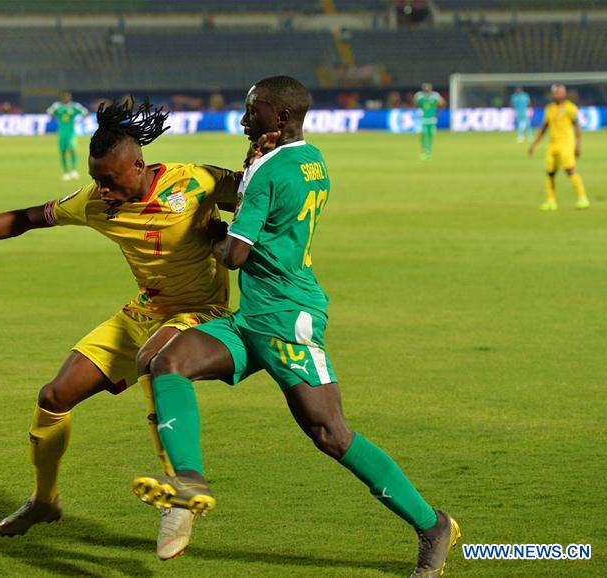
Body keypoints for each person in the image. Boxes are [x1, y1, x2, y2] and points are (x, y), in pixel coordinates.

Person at [132, 76, 461, 578]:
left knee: (331, 434)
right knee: (167, 362)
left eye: (253, 112)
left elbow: (236, 256)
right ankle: (190, 483)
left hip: (287, 320)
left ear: (279, 117)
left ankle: (433, 525)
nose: (245, 120)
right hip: (254, 317)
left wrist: (210, 230)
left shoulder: (267, 172)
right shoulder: (313, 159)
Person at [0, 99, 240, 560]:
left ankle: (179, 495)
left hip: (199, 313)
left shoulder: (196, 181)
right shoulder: (96, 203)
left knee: (156, 363)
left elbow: (259, 197)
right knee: (53, 397)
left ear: (138, 165)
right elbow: (24, 219)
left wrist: (226, 240)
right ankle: (44, 501)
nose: (102, 189)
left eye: (109, 179)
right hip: (143, 313)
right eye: (96, 179)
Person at [528, 84, 589, 211]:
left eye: (561, 92)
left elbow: (577, 126)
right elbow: (544, 128)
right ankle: (551, 201)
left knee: (569, 170)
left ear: (565, 94)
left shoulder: (570, 108)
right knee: (550, 173)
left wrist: (578, 145)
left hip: (567, 144)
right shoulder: (549, 109)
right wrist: (534, 144)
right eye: (556, 93)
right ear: (553, 94)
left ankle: (583, 198)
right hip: (553, 145)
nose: (558, 95)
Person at [46, 92, 89, 181]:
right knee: (63, 152)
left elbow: (85, 112)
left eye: (68, 97)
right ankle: (66, 172)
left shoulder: (74, 106)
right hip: (61, 133)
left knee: (72, 150)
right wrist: (56, 118)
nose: (66, 98)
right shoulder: (57, 106)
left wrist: (78, 120)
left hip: (71, 133)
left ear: (70, 98)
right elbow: (49, 112)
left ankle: (73, 170)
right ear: (62, 98)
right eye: (65, 97)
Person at [412, 83, 445, 160]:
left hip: (432, 120)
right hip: (423, 119)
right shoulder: (419, 95)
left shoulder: (435, 95)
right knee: (424, 134)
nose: (426, 89)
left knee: (431, 136)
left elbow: (442, 103)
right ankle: (424, 151)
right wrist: (418, 111)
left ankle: (429, 152)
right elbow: (415, 104)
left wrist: (438, 112)